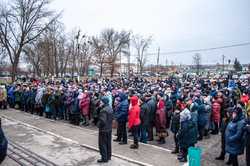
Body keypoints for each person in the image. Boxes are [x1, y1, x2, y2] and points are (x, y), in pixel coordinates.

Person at [97, 96, 113, 163]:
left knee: (102, 144)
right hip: (109, 128)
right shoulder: (110, 108)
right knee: (108, 143)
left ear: (104, 102)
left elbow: (102, 121)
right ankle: (108, 156)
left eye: (101, 101)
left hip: (103, 129)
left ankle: (104, 158)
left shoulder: (103, 110)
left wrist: (98, 125)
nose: (100, 102)